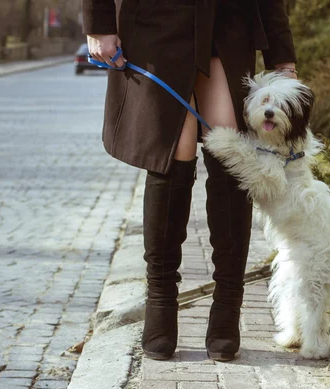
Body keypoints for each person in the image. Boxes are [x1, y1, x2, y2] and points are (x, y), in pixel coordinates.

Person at [81, 0, 298, 362]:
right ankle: (160, 300)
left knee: (228, 153)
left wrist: (284, 57)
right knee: (172, 155)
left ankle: (229, 304)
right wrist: (98, 22)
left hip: (227, 21)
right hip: (157, 22)